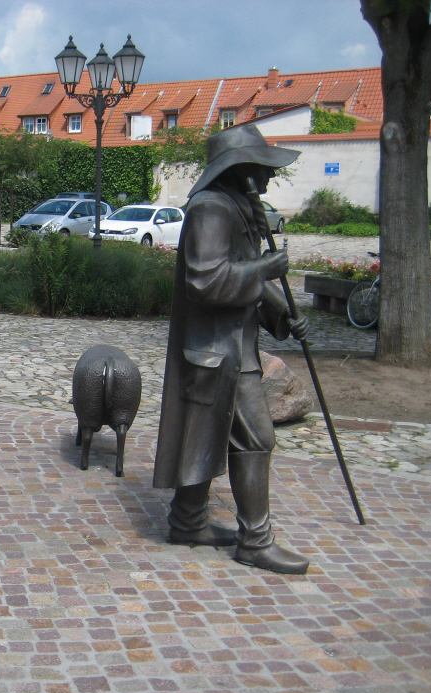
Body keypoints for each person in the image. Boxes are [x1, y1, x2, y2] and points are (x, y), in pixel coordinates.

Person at [153, 124, 310, 575]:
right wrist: (265, 268)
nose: (268, 177)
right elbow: (206, 282)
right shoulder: (211, 209)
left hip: (233, 349)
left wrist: (281, 313)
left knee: (207, 436)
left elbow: (242, 271)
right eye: (262, 168)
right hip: (220, 351)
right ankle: (255, 542)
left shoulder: (234, 206)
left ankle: (188, 521)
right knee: (256, 439)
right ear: (240, 168)